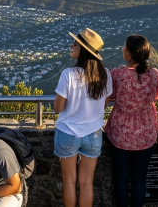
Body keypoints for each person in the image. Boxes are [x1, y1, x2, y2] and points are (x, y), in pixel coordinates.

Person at [54, 28, 113, 207]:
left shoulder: (68, 75)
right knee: (87, 183)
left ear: (84, 50)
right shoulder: (105, 75)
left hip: (68, 132)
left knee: (69, 182)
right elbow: (104, 104)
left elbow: (58, 108)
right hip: (93, 133)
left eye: (75, 44)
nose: (71, 46)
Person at [105, 34, 158, 207]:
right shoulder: (153, 74)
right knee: (140, 179)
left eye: (124, 47)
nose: (122, 49)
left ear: (129, 53)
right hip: (146, 134)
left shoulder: (117, 74)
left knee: (121, 179)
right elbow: (156, 95)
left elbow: (111, 95)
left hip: (120, 134)